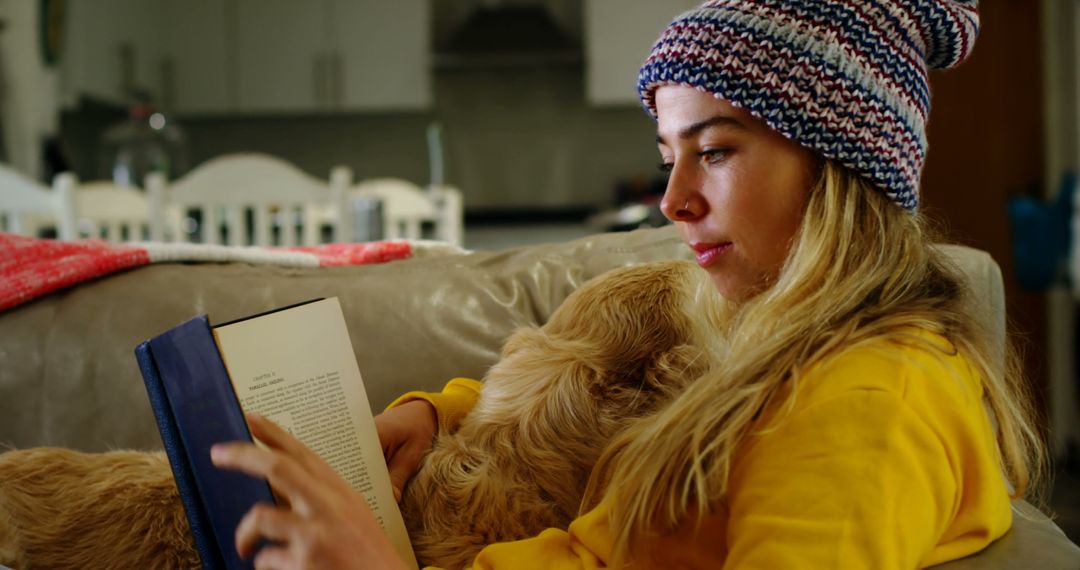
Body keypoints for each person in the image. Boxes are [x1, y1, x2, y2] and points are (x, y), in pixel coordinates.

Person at [211, 0, 1046, 568]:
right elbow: (609, 379)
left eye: (714, 150)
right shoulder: (769, 322)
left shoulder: (868, 404)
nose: (674, 200)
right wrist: (440, 413)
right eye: (668, 157)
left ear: (841, 166)